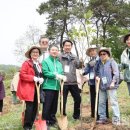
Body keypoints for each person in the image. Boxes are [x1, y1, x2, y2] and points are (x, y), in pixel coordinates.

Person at [17, 45, 44, 130]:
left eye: (37, 52)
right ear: (30, 54)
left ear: (39, 54)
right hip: (29, 89)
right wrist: (33, 78)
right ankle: (27, 126)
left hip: (38, 88)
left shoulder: (39, 64)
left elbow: (40, 74)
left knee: (36, 106)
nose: (35, 54)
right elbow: (22, 75)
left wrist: (41, 78)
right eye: (33, 52)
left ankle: (32, 123)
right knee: (30, 107)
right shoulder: (26, 63)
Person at [41, 45, 66, 126]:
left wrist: (62, 76)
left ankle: (52, 120)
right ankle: (45, 121)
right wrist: (56, 75)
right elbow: (45, 72)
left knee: (54, 105)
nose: (54, 51)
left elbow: (61, 72)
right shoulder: (45, 61)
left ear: (58, 52)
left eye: (56, 50)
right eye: (52, 50)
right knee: (47, 104)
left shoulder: (59, 63)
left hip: (57, 86)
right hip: (48, 86)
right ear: (49, 51)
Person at [95, 47, 120, 125]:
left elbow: (116, 73)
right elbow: (96, 72)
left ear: (108, 54)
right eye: (101, 54)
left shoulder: (112, 62)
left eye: (104, 54)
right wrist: (97, 76)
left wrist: (113, 82)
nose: (102, 55)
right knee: (101, 102)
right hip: (102, 86)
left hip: (111, 86)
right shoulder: (99, 63)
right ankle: (102, 118)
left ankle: (116, 119)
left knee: (113, 102)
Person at [83, 45, 109, 119]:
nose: (92, 52)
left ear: (97, 51)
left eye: (93, 50)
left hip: (100, 82)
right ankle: (94, 114)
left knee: (102, 98)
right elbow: (86, 71)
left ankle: (104, 115)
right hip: (92, 82)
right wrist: (82, 73)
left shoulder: (102, 59)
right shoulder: (90, 62)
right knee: (93, 98)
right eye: (90, 51)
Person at [59, 40, 81, 120]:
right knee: (63, 100)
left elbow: (78, 66)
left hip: (73, 81)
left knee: (78, 99)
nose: (67, 47)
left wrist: (80, 61)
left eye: (69, 45)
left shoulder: (75, 56)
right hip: (63, 82)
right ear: (63, 47)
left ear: (71, 46)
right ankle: (63, 115)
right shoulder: (59, 56)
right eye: (66, 45)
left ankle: (76, 116)